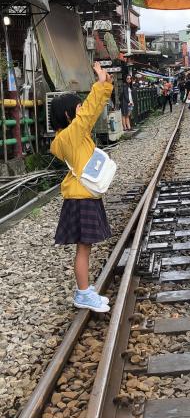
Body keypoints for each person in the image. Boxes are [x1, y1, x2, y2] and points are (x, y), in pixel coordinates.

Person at [50, 62, 113, 313]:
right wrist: (99, 84)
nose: (81, 111)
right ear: (68, 115)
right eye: (77, 108)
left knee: (84, 248)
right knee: (84, 248)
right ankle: (84, 293)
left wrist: (104, 84)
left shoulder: (66, 137)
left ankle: (85, 290)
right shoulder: (72, 134)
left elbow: (90, 110)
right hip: (81, 197)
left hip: (81, 195)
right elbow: (89, 112)